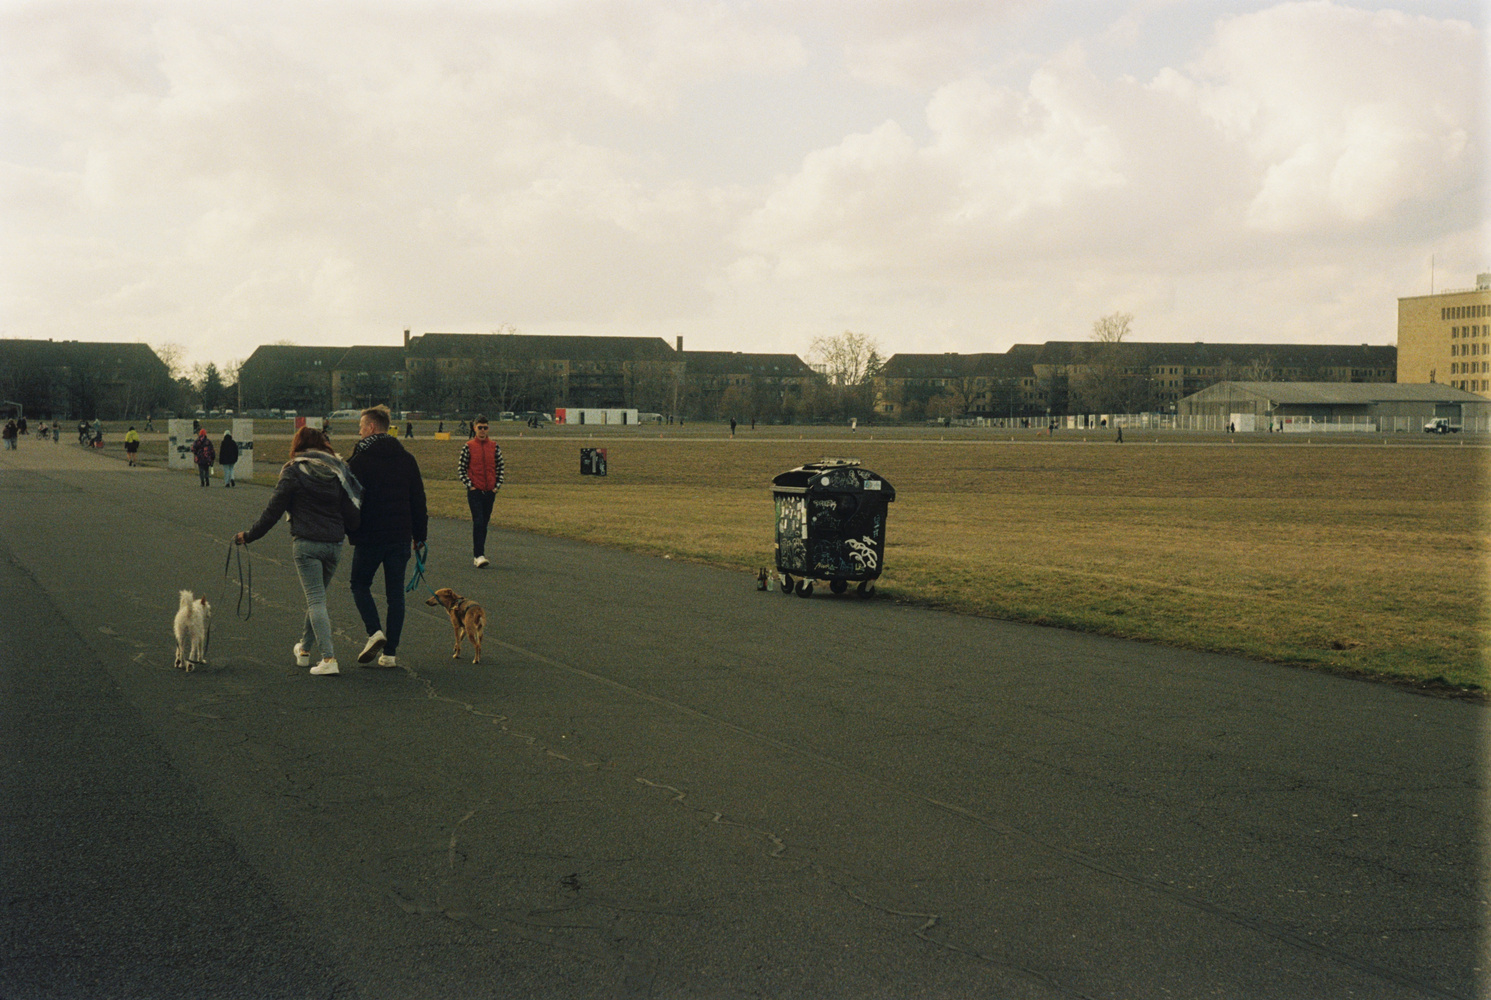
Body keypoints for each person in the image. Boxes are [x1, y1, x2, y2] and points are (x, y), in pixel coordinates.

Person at [235, 427, 362, 677]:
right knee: (317, 599)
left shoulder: (293, 471)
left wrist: (249, 535)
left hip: (307, 544)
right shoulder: (338, 470)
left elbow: (273, 511)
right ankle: (304, 650)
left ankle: (328, 658)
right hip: (334, 543)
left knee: (316, 601)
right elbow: (351, 510)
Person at [347, 405, 428, 669]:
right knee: (396, 595)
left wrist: (350, 530)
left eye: (361, 427)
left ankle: (374, 631)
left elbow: (349, 501)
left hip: (370, 536)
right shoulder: (406, 458)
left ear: (371, 427)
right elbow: (418, 500)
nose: (359, 432)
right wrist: (420, 535)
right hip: (400, 535)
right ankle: (390, 653)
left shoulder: (359, 460)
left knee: (359, 584)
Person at [458, 414, 504, 568]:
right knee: (478, 521)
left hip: (490, 491)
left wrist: (496, 487)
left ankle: (479, 553)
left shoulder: (494, 446)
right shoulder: (468, 446)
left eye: (485, 428)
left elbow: (500, 467)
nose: (483, 430)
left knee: (484, 522)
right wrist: (470, 485)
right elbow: (461, 468)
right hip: (475, 491)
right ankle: (478, 555)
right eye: (480, 428)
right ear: (475, 428)